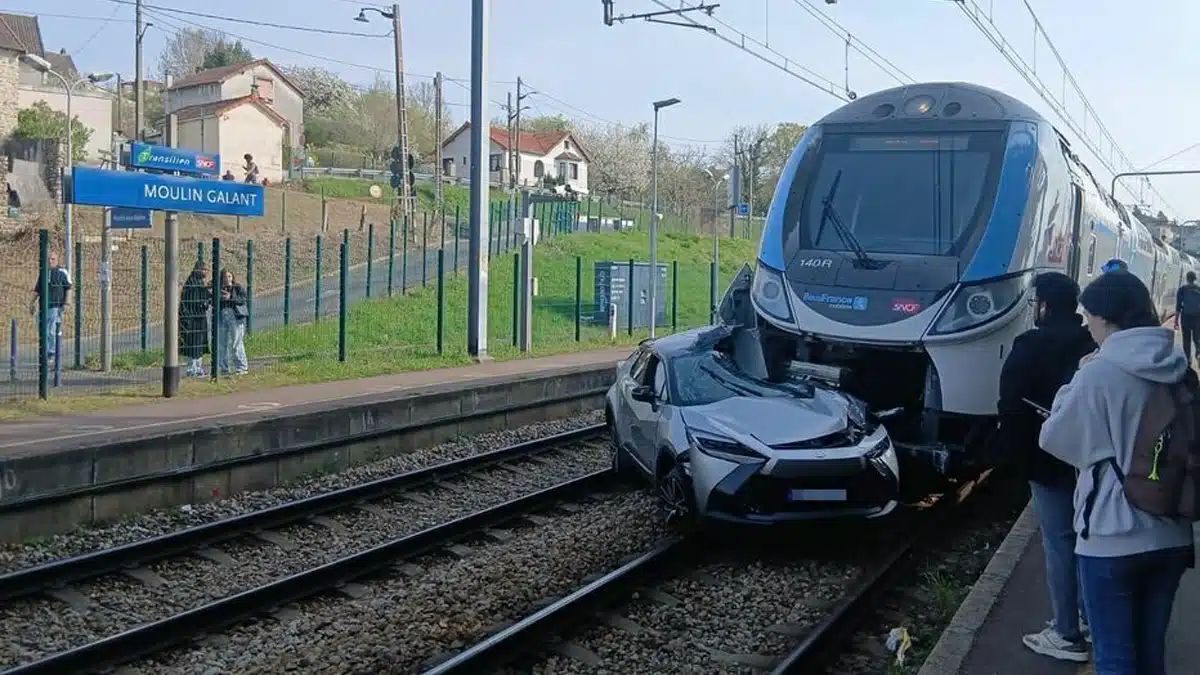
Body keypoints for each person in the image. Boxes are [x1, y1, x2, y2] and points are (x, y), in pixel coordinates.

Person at [1040, 270, 1195, 675]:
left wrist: (1074, 380)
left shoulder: (1098, 372)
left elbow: (1057, 440)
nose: (1086, 325)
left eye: (1088, 317)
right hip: (1173, 532)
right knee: (1149, 654)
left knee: (1114, 658)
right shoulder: (1180, 366)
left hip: (1112, 537)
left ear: (1107, 319)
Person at [997, 272, 1096, 663]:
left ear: (1043, 306)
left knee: (1059, 543)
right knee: (1086, 539)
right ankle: (1088, 618)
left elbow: (1010, 404)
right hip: (1088, 462)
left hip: (1047, 461)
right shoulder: (1092, 342)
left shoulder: (1030, 344)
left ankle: (1066, 633)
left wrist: (1012, 460)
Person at [28, 250, 71, 365]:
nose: (50, 261)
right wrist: (31, 304)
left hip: (56, 306)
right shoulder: (43, 273)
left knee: (52, 330)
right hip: (43, 307)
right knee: (43, 330)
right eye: (48, 259)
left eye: (53, 259)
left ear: (57, 260)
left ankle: (52, 354)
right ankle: (46, 353)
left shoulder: (62, 272)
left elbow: (68, 288)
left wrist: (67, 303)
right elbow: (37, 290)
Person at [180, 261, 211, 377]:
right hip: (192, 320)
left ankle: (198, 368)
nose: (206, 272)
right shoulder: (192, 283)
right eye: (204, 270)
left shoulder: (199, 282)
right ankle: (192, 369)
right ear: (198, 270)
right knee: (193, 344)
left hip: (199, 318)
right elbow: (193, 302)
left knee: (199, 344)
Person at [217, 269, 249, 376]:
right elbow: (213, 302)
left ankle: (242, 368)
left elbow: (243, 299)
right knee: (222, 343)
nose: (227, 279)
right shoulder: (218, 288)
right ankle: (224, 368)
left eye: (230, 276)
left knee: (236, 342)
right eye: (225, 277)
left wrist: (231, 297)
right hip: (222, 315)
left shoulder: (237, 287)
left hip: (235, 317)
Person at [1175, 270, 1200, 365]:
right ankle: (1198, 353)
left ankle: (1187, 360)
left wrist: (1176, 321)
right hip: (1198, 317)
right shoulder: (1199, 289)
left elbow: (1178, 306)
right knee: (1197, 338)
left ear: (1187, 278)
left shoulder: (1182, 289)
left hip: (1186, 317)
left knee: (1186, 339)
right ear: (1195, 279)